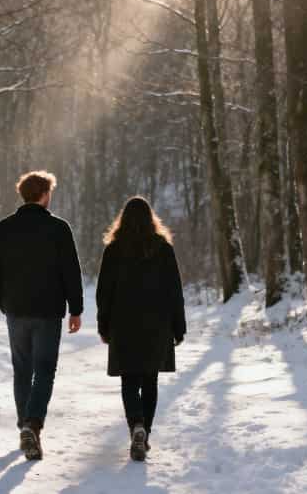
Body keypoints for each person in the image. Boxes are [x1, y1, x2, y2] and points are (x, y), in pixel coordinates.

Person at [0, 170, 83, 461]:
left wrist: (3, 302)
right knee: (45, 370)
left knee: (22, 370)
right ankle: (32, 425)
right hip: (48, 311)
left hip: (16, 310)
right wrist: (76, 309)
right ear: (44, 195)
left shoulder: (3, 228)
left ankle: (24, 427)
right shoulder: (59, 229)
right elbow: (71, 272)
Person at [96, 196, 186, 462]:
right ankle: (144, 431)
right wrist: (178, 327)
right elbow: (175, 292)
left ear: (122, 220)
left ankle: (135, 425)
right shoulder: (163, 248)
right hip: (157, 325)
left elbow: (104, 293)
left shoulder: (114, 250)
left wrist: (104, 324)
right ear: (151, 219)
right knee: (150, 381)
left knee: (129, 380)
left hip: (124, 325)